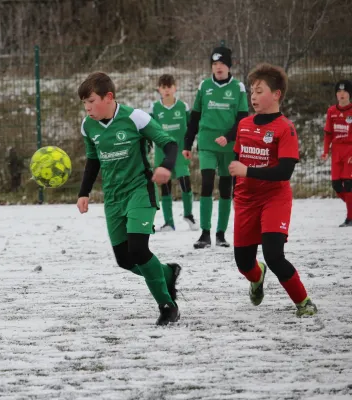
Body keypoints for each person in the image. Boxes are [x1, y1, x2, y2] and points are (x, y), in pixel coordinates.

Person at [76, 72, 182, 326]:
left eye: (91, 101)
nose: (88, 108)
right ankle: (167, 272)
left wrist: (166, 166)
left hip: (139, 191)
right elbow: (93, 160)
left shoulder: (135, 118)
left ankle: (167, 306)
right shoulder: (87, 126)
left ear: (108, 97)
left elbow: (169, 144)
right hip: (113, 198)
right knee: (125, 260)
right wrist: (84, 192)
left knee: (138, 249)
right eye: (84, 104)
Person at [228, 63, 317, 317]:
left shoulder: (284, 128)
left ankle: (304, 302)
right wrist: (237, 193)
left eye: (259, 91)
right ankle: (257, 277)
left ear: (276, 94)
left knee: (274, 255)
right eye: (252, 92)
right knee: (244, 263)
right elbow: (237, 163)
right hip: (246, 201)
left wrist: (249, 172)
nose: (253, 97)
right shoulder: (244, 125)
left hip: (274, 198)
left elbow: (284, 172)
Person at [183, 46, 249, 249]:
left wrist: (228, 137)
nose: (218, 67)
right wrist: (187, 143)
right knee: (207, 182)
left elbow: (242, 119)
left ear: (229, 66)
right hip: (207, 143)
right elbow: (194, 117)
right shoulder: (204, 86)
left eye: (221, 64)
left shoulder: (238, 88)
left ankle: (221, 234)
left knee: (226, 187)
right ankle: (205, 233)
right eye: (214, 64)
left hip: (229, 145)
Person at [150, 74, 197, 232]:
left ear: (175, 88)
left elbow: (191, 128)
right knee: (165, 187)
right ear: (159, 89)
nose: (167, 90)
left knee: (185, 182)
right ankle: (169, 222)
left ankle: (188, 215)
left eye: (169, 87)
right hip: (162, 153)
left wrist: (189, 146)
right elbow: (149, 129)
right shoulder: (154, 108)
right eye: (163, 87)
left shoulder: (183, 107)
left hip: (180, 152)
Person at [321, 80, 352, 227]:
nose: (342, 94)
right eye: (339, 92)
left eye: (345, 91)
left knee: (348, 183)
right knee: (337, 185)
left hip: (350, 150)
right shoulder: (331, 111)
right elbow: (328, 134)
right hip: (337, 151)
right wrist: (325, 151)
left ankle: (350, 218)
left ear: (349, 94)